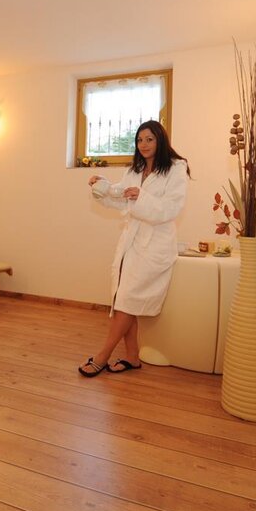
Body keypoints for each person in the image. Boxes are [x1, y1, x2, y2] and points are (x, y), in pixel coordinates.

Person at [79, 120, 190, 377]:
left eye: (149, 139)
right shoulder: (135, 168)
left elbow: (172, 208)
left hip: (155, 244)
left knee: (126, 301)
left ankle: (103, 356)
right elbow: (121, 197)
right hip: (132, 242)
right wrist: (101, 186)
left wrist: (142, 197)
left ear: (160, 140)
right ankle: (132, 357)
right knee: (124, 298)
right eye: (140, 140)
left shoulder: (176, 167)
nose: (144, 145)